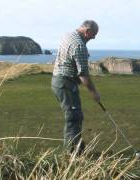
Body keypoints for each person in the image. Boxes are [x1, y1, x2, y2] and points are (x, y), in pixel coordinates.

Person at [51, 20, 100, 154]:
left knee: (75, 115)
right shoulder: (79, 45)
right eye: (93, 34)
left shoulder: (69, 35)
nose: (94, 37)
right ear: (87, 31)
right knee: (73, 116)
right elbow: (83, 74)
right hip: (65, 83)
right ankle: (72, 153)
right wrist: (94, 93)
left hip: (58, 81)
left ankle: (77, 145)